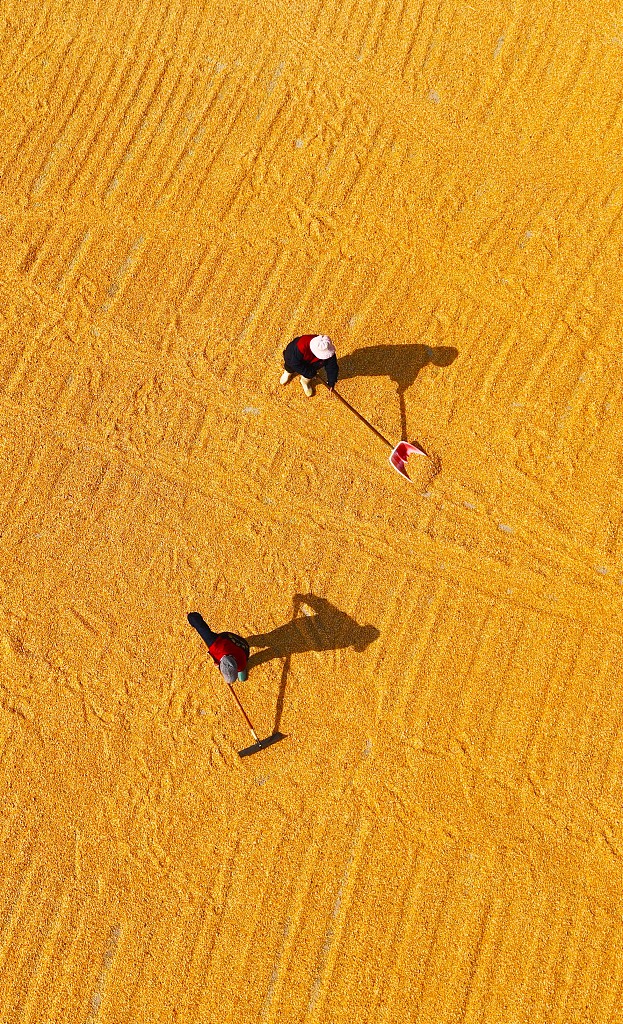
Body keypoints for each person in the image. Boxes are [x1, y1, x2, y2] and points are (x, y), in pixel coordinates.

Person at [187, 612, 249, 683]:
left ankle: (242, 673)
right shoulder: (215, 645)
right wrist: (192, 618)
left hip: (240, 644)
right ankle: (242, 673)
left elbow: (201, 628)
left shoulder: (241, 663)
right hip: (238, 643)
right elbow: (201, 628)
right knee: (242, 677)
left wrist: (192, 618)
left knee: (242, 676)